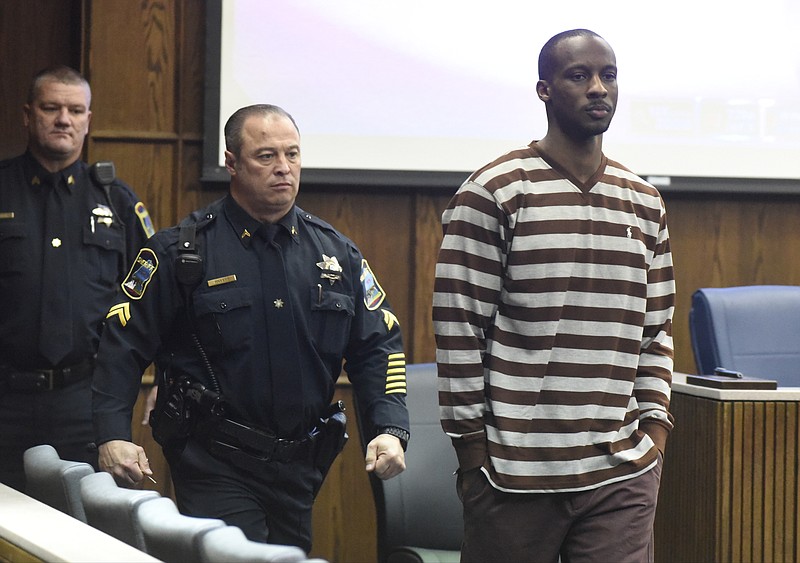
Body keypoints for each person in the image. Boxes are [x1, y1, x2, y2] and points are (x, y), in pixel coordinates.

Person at [91, 104, 409, 552]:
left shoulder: (336, 255)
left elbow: (378, 344)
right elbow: (120, 345)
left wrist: (388, 428)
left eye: (293, 155)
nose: (284, 168)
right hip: (214, 461)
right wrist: (113, 435)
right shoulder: (183, 252)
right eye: (266, 156)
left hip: (301, 466)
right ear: (232, 163)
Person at [432, 29, 675, 563]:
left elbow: (656, 331)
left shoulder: (644, 202)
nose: (597, 89)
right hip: (514, 473)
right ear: (544, 90)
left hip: (622, 471)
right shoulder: (494, 191)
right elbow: (457, 328)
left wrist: (654, 429)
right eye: (578, 76)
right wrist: (474, 450)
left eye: (608, 76)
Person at [0, 65, 154, 491]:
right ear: (27, 115)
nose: (63, 119)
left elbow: (154, 298)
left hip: (85, 398)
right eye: (51, 108)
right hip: (5, 395)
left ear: (88, 120)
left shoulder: (117, 202)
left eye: (74, 110)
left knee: (83, 528)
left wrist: (166, 373)